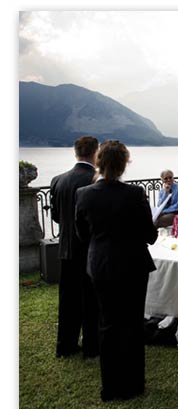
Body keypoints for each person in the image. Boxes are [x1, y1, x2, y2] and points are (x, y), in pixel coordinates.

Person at [75, 140, 157, 402]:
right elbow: (150, 235)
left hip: (101, 265)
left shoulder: (84, 194)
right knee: (133, 323)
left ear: (98, 162)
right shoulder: (135, 194)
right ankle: (135, 384)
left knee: (107, 325)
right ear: (124, 164)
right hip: (133, 265)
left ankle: (110, 388)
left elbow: (81, 233)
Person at [50, 135, 100, 358]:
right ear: (95, 153)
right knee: (91, 300)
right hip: (88, 249)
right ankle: (91, 346)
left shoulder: (57, 180)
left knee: (67, 300)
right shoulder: (94, 180)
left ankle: (65, 345)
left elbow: (56, 217)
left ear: (76, 153)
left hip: (66, 248)